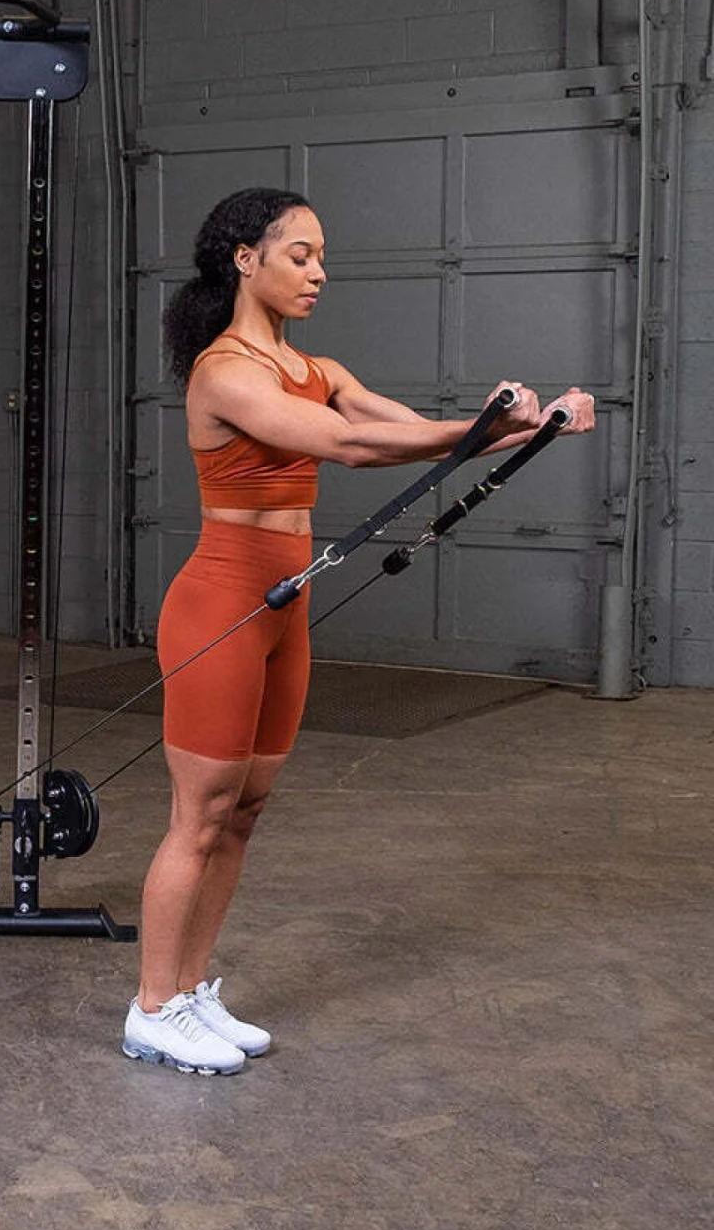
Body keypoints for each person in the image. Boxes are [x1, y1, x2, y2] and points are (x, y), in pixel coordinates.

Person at [122, 187, 596, 1076]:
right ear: (245, 261)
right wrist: (492, 423)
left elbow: (414, 435)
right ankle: (151, 1007)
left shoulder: (320, 368)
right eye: (299, 255)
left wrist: (537, 427)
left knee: (245, 812)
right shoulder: (223, 371)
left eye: (321, 257)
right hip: (220, 603)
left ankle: (189, 991)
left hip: (285, 607)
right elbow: (349, 447)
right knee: (201, 815)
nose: (318, 273)